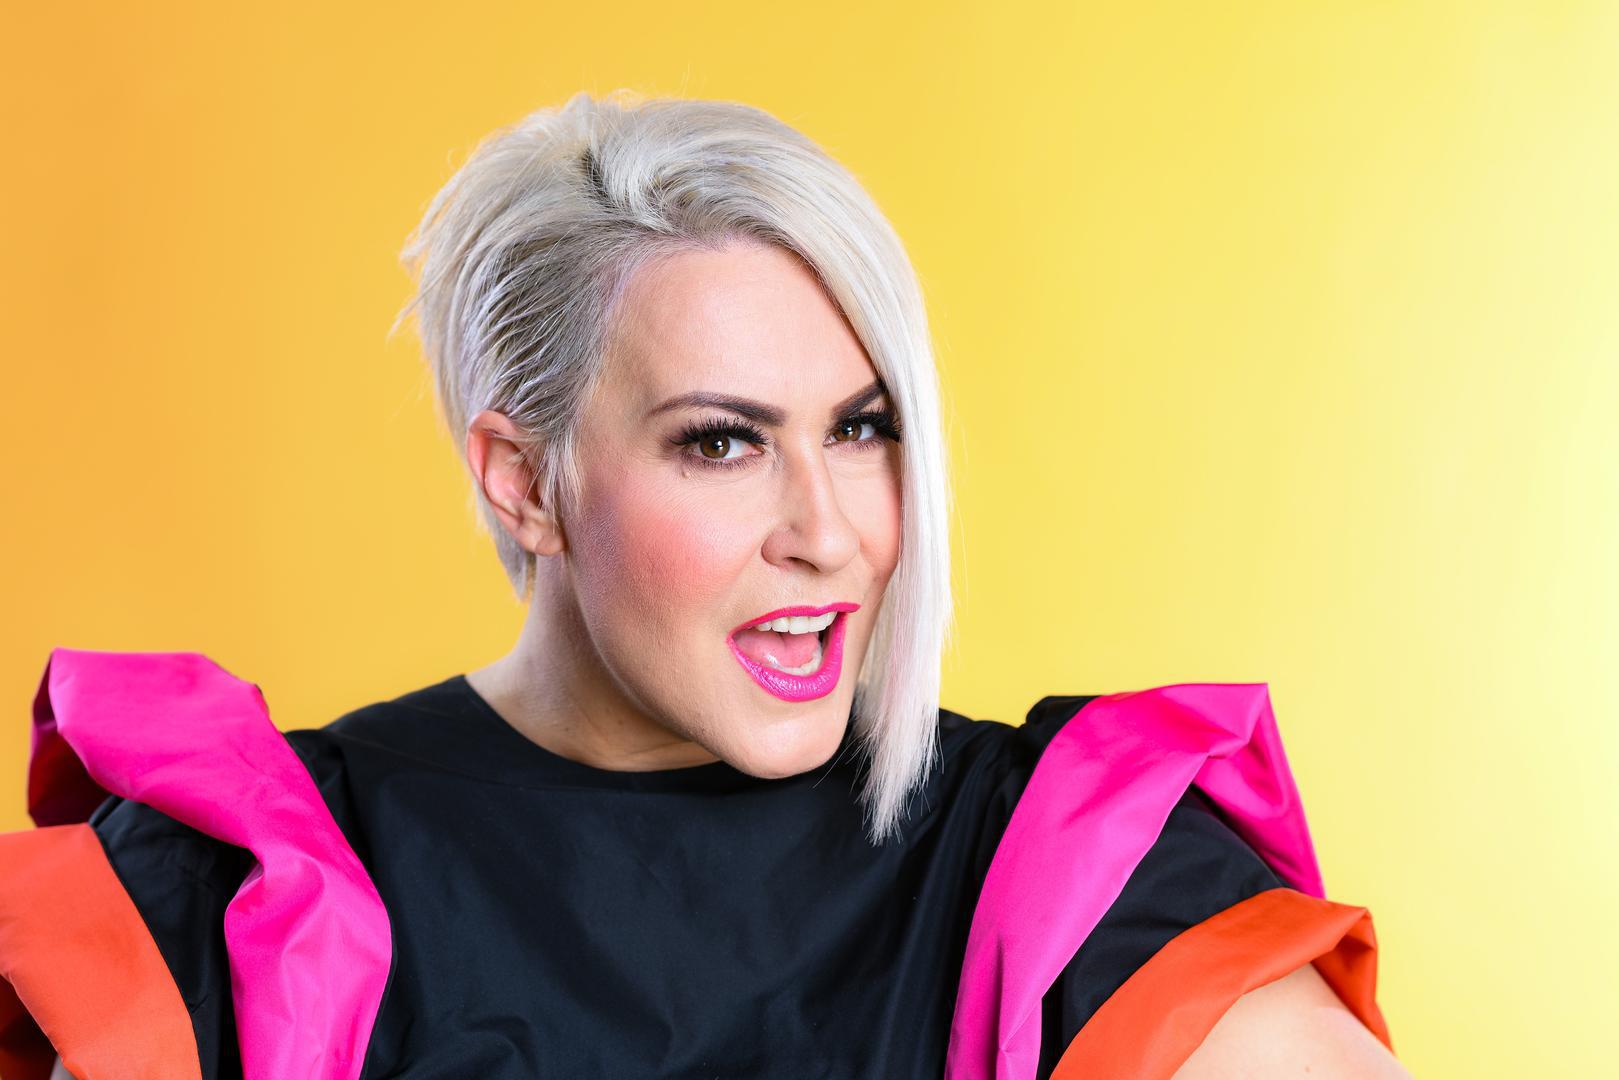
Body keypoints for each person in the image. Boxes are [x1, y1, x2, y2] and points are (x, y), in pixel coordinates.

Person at [0, 92, 1410, 1080]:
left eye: (862, 428)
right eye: (722, 442)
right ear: (522, 482)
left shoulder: (1068, 871)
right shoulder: (256, 888)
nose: (828, 532)